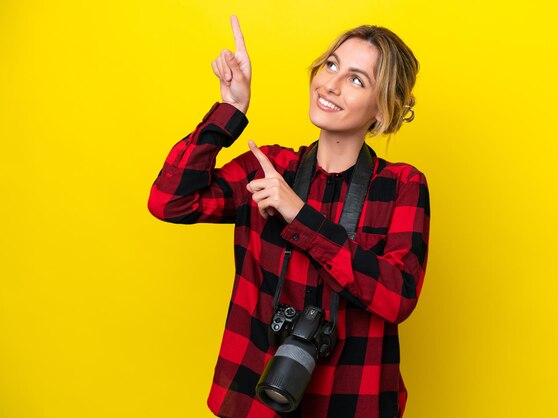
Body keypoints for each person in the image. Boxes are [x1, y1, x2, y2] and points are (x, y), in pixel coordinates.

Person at [148, 15, 430, 418]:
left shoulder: (402, 185)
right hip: (255, 398)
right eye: (331, 65)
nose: (330, 84)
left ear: (382, 110)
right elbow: (169, 201)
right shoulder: (269, 168)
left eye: (356, 79)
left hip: (351, 401)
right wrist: (230, 110)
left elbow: (397, 296)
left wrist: (298, 214)